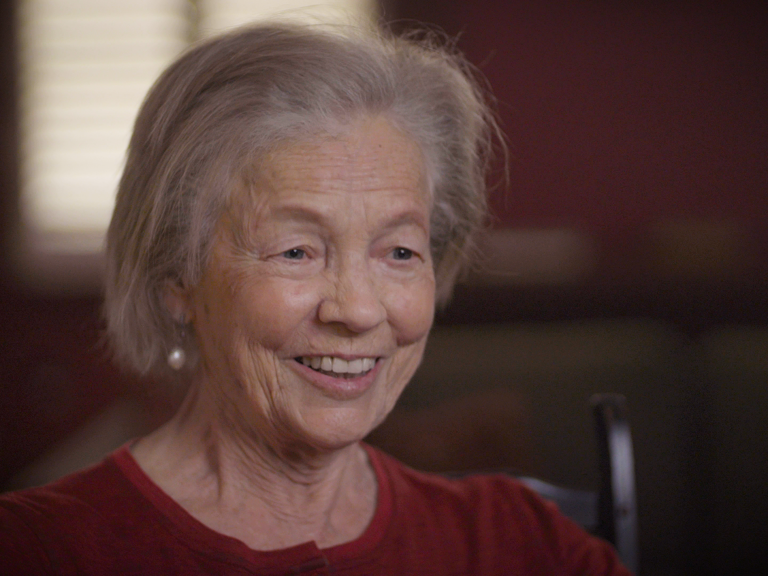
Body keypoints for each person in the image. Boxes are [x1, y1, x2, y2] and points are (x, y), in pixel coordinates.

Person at [0, 21, 632, 575]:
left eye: (399, 253)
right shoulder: (38, 550)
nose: (357, 310)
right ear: (177, 282)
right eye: (296, 251)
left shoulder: (519, 544)